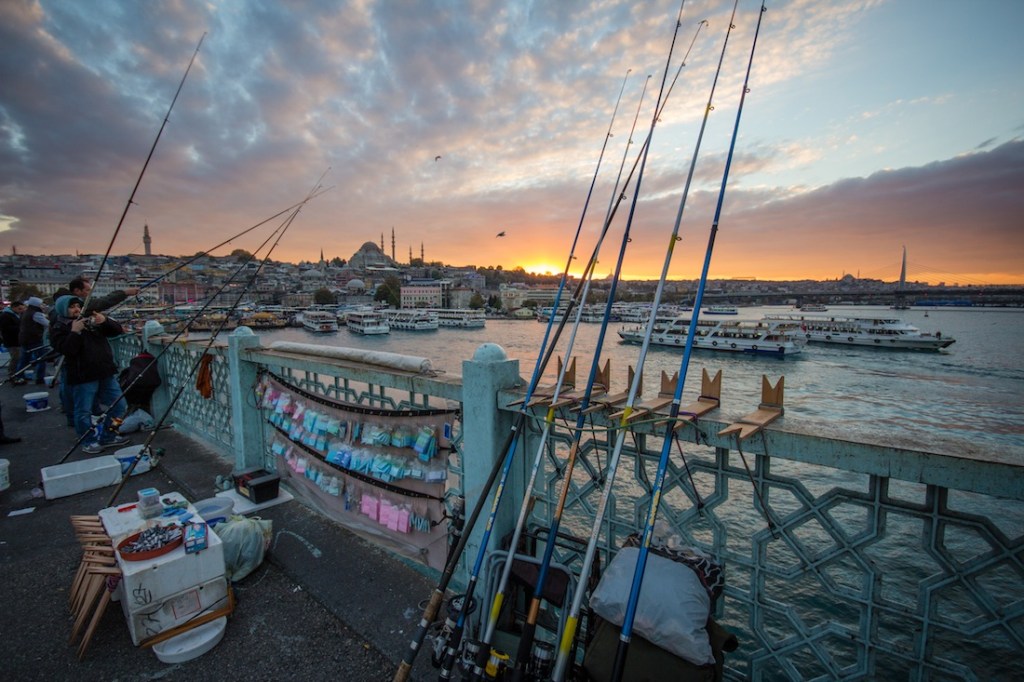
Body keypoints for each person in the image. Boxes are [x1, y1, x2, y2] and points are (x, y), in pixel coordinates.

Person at [49, 295, 129, 454]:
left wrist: (104, 321)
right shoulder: (59, 328)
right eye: (71, 307)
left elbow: (117, 331)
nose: (76, 309)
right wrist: (75, 332)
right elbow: (67, 350)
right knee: (83, 411)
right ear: (63, 309)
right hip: (82, 375)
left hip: (104, 372)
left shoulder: (90, 321)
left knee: (120, 406)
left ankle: (110, 435)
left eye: (78, 306)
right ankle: (88, 440)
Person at [16, 296, 49, 385]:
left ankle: (19, 376)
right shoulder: (35, 314)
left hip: (24, 339)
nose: (43, 306)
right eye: (41, 304)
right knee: (41, 358)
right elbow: (47, 323)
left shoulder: (26, 312)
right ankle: (40, 378)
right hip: (34, 339)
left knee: (24, 359)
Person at [1, 300, 26, 384]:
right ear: (13, 307)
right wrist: (20, 327)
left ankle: (16, 374)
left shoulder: (13, 314)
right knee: (15, 358)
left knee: (17, 358)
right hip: (12, 341)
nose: (21, 311)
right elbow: (6, 328)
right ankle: (12, 375)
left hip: (15, 340)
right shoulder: (6, 315)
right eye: (19, 309)